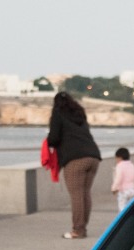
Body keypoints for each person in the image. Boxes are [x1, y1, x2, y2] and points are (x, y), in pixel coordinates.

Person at [47, 92, 101, 239]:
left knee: (76, 195)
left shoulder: (58, 113)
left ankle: (78, 230)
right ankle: (83, 227)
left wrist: (49, 140)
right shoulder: (79, 113)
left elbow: (53, 138)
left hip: (75, 158)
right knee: (85, 193)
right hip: (93, 156)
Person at [111, 147, 134, 212]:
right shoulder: (132, 165)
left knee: (122, 208)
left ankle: (123, 221)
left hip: (123, 191)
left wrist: (114, 188)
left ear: (119, 157)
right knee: (130, 208)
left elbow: (118, 179)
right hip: (132, 190)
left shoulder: (120, 166)